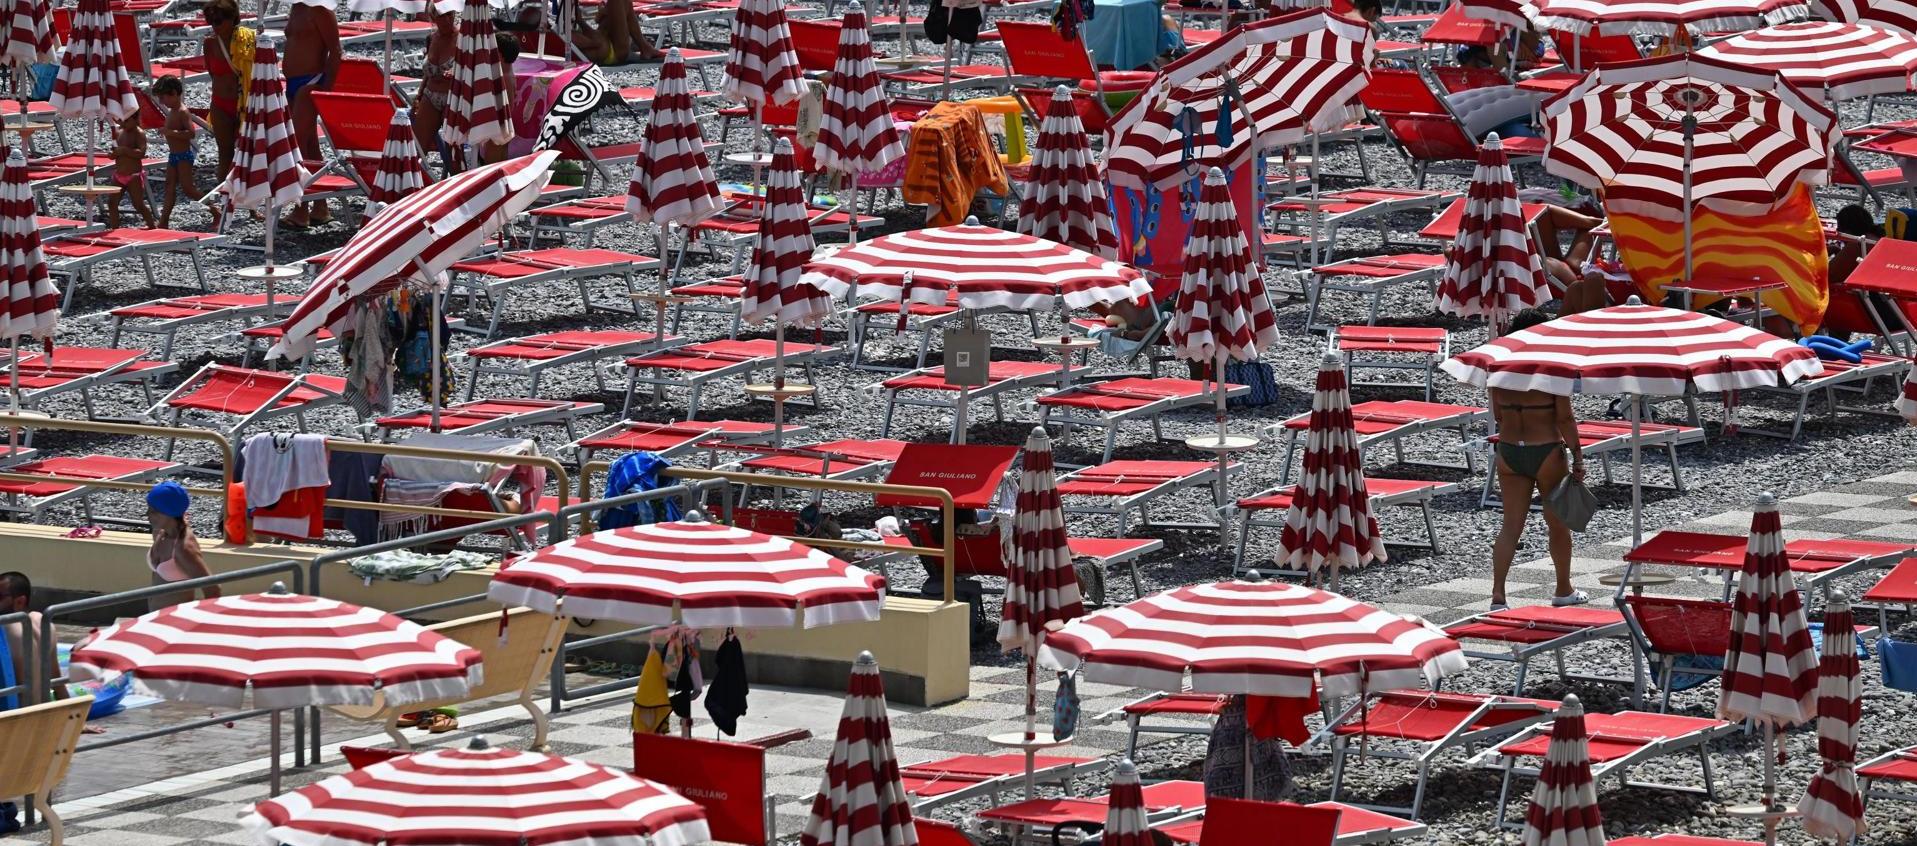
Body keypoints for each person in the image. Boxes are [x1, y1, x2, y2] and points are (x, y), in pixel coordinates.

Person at [1488, 309, 1587, 611]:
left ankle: (1498, 594)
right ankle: (1563, 589)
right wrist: (1578, 454)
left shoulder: (1498, 368)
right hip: (1545, 449)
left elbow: (1499, 414)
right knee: (1557, 524)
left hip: (1509, 451)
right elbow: (1565, 418)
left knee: (1510, 526)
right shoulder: (1550, 368)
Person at [280, 0, 341, 228]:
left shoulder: (321, 9)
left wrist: (325, 90)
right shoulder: (297, 6)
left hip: (310, 82)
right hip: (294, 83)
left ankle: (301, 208)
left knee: (297, 145)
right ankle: (320, 206)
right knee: (310, 146)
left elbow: (335, 50)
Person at [201, 0, 254, 179]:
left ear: (232, 18)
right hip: (220, 104)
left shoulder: (247, 41)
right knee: (225, 154)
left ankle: (251, 205)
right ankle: (225, 200)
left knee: (249, 154)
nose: (214, 26)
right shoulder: (209, 44)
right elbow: (212, 74)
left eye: (218, 21)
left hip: (245, 103)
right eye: (211, 21)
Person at [145, 481, 218, 612]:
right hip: (156, 618)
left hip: (174, 622)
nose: (147, 514)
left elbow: (213, 589)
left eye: (154, 511)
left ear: (169, 512)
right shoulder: (161, 532)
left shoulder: (183, 548)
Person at [152, 77, 204, 229]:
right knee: (169, 187)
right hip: (173, 156)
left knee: (189, 189)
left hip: (183, 156)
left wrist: (170, 132)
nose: (161, 102)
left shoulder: (182, 111)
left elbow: (191, 133)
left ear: (174, 93)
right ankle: (164, 221)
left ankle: (215, 210)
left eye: (163, 97)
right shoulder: (173, 111)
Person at [413, 7, 458, 166]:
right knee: (416, 148)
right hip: (430, 95)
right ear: (433, 17)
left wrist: (457, 71)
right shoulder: (432, 38)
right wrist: (418, 96)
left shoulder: (463, 39)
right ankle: (413, 186)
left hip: (453, 96)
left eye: (449, 15)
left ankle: (456, 184)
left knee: (454, 153)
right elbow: (426, 74)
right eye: (441, 16)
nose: (447, 20)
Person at [107, 113, 155, 230]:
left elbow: (141, 153)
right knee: (112, 203)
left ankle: (152, 225)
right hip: (119, 175)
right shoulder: (119, 132)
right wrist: (113, 154)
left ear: (135, 119)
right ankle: (115, 228)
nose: (123, 123)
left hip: (134, 176)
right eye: (122, 121)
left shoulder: (139, 133)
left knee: (138, 204)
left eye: (127, 121)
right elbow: (115, 153)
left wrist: (124, 150)